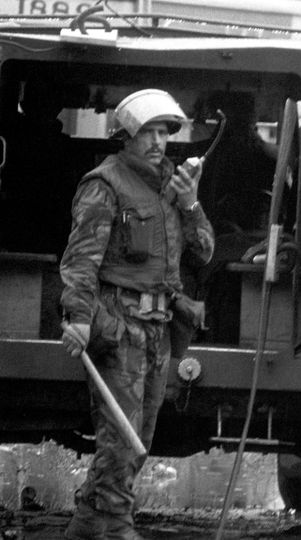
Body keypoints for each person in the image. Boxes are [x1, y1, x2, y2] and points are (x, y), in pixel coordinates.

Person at [59, 88, 215, 540]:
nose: (157, 141)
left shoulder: (174, 186)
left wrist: (191, 203)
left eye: (163, 132)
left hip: (159, 329)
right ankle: (117, 526)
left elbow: (204, 252)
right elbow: (81, 259)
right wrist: (80, 318)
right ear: (124, 136)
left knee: (139, 436)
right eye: (146, 131)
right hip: (118, 323)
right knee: (121, 438)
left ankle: (89, 523)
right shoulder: (104, 184)